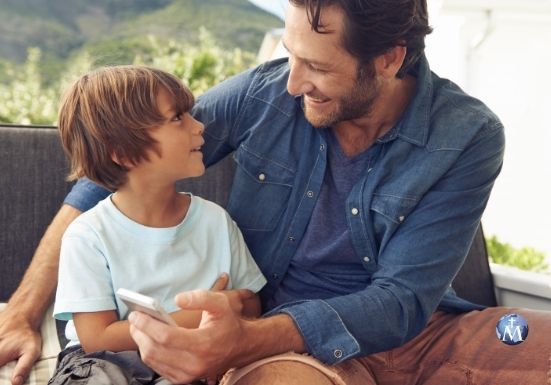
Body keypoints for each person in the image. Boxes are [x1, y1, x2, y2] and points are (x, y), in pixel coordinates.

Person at [1, 0, 551, 384]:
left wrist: (239, 337)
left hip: (422, 332)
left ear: (389, 58)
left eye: (315, 65)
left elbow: (402, 301)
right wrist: (24, 311)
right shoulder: (264, 94)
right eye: (292, 54)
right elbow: (113, 177)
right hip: (277, 342)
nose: (291, 83)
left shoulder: (468, 135)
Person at [45, 65, 266, 384]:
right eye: (178, 118)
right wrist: (203, 313)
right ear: (124, 153)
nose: (198, 127)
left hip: (191, 358)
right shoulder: (87, 235)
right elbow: (97, 338)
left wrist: (232, 305)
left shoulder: (215, 221)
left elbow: (251, 303)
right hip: (106, 362)